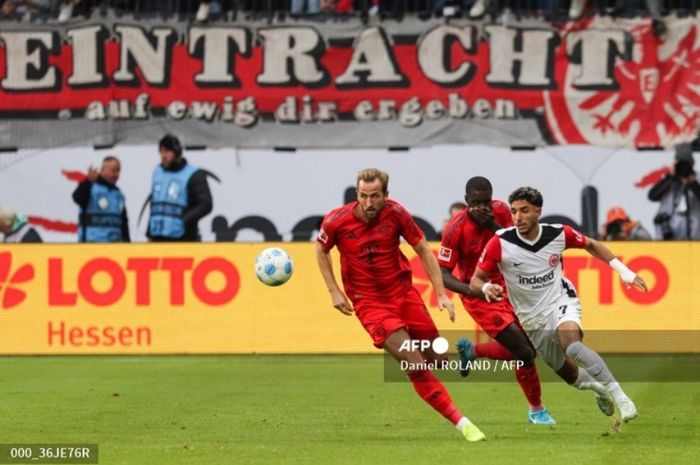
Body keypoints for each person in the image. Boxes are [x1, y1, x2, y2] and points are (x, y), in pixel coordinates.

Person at [315, 168, 486, 442]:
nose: (369, 203)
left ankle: (469, 356)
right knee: (413, 362)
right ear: (356, 194)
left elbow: (422, 249)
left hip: (404, 295)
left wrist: (441, 293)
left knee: (437, 360)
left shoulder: (396, 213)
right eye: (363, 196)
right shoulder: (336, 221)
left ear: (386, 195)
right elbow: (321, 250)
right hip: (370, 303)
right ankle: (462, 423)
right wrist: (334, 290)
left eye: (375, 196)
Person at [470, 186, 647, 422]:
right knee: (570, 375)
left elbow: (592, 244)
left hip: (561, 300)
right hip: (532, 318)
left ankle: (621, 398)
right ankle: (599, 389)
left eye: (524, 210)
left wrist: (624, 272)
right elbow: (475, 280)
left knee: (571, 345)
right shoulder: (500, 242)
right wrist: (485, 288)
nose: (518, 217)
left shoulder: (558, 234)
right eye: (514, 212)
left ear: (538, 212)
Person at [439, 177, 555, 425]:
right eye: (476, 203)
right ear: (466, 200)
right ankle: (537, 411)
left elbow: (521, 242)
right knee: (523, 351)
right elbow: (443, 276)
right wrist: (474, 291)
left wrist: (492, 224)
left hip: (510, 288)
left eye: (486, 202)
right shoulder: (454, 229)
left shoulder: (502, 212)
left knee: (529, 349)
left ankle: (473, 351)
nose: (482, 207)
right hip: (479, 296)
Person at [147, 134, 213, 242]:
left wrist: (184, 219)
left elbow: (206, 204)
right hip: (157, 236)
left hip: (183, 237)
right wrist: (149, 230)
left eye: (167, 152)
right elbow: (155, 202)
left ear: (177, 152)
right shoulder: (158, 171)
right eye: (161, 151)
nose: (163, 155)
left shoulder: (193, 174)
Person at [648, 144, 700, 240]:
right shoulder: (669, 180)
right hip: (669, 237)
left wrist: (692, 184)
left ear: (692, 165)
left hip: (695, 238)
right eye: (681, 164)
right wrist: (671, 177)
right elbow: (652, 196)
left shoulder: (696, 179)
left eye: (687, 165)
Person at [72, 156, 130, 243]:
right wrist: (88, 181)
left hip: (115, 246)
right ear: (103, 169)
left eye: (118, 171)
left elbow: (123, 222)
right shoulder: (91, 186)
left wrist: (127, 242)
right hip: (91, 244)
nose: (115, 175)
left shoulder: (118, 194)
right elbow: (77, 197)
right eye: (113, 171)